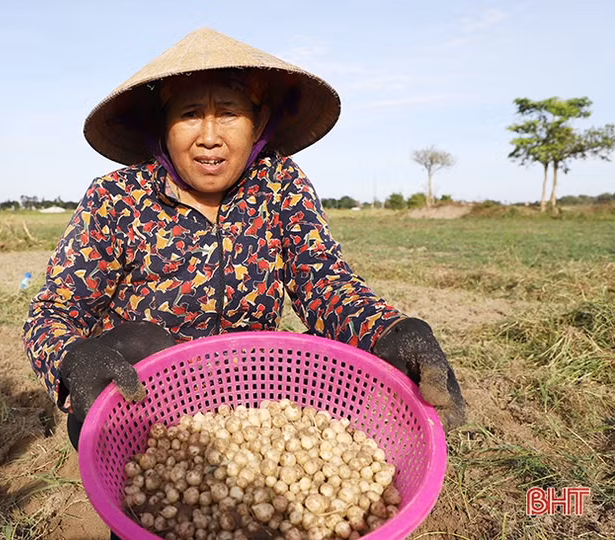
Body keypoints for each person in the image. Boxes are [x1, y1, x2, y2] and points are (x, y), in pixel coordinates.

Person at [23, 28, 467, 458]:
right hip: (146, 404)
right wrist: (73, 358)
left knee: (337, 366)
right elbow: (54, 311)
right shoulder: (117, 197)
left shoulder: (279, 184)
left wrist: (390, 330)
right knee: (141, 341)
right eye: (189, 114)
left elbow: (323, 282)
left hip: (254, 394)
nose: (209, 136)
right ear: (163, 126)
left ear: (259, 124)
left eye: (229, 113)